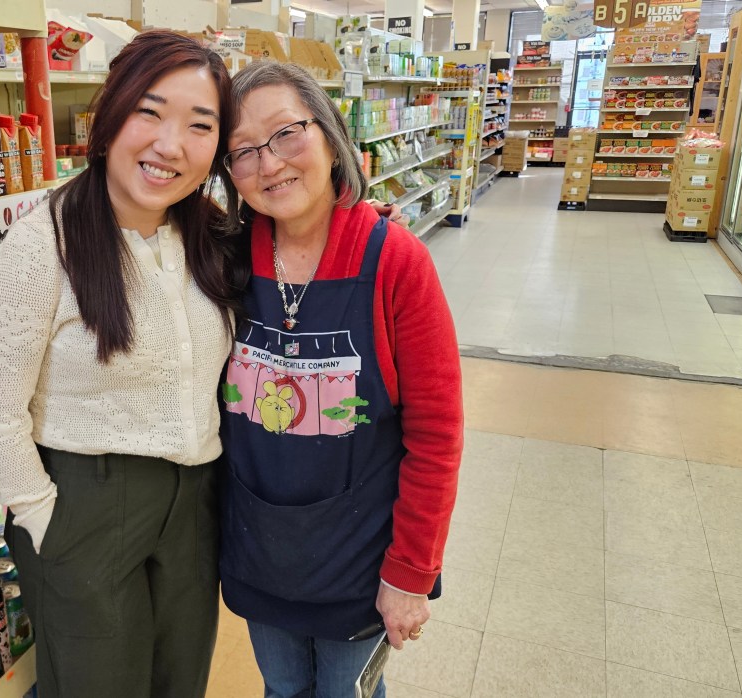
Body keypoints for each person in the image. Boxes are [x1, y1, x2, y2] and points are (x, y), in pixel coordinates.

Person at [0, 31, 244, 698]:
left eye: (199, 126)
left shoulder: (209, 234)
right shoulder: (41, 248)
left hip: (195, 501)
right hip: (85, 501)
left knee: (182, 678)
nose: (169, 145)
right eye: (149, 112)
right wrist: (45, 521)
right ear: (109, 112)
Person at [218, 61, 464, 697]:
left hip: (359, 556)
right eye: (243, 150)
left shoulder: (394, 262)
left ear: (331, 136)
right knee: (280, 691)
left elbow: (436, 432)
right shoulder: (224, 260)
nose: (269, 164)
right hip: (259, 545)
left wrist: (411, 571)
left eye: (287, 133)